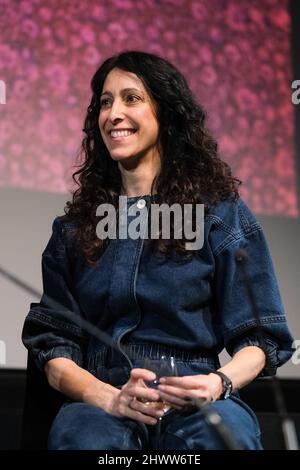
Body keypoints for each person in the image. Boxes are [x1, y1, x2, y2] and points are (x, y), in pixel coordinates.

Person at [22, 50, 294, 450]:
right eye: (105, 102)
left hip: (196, 394)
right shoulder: (76, 229)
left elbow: (259, 337)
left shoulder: (218, 215)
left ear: (166, 114)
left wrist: (219, 382)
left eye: (131, 98)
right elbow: (55, 350)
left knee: (226, 436)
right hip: (104, 395)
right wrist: (109, 398)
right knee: (84, 437)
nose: (113, 113)